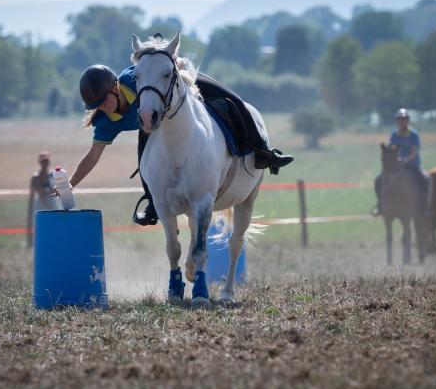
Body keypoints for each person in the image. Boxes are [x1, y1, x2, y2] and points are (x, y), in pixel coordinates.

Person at [69, 41, 294, 226]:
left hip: (179, 83)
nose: (102, 107)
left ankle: (264, 153)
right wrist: (71, 184)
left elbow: (158, 66)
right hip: (151, 124)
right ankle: (152, 203)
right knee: (145, 158)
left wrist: (176, 64)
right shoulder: (105, 121)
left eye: (103, 100)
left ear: (115, 87)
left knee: (231, 100)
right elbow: (93, 155)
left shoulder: (133, 78)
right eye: (96, 105)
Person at [373, 108, 429, 216]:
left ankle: (423, 207)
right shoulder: (394, 135)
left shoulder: (414, 135)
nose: (401, 122)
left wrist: (405, 160)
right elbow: (391, 148)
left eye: (403, 119)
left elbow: (415, 151)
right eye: (399, 119)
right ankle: (380, 205)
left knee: (424, 180)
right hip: (396, 166)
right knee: (378, 180)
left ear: (408, 120)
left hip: (412, 165)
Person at [26, 150, 59, 247]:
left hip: (52, 203)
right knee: (39, 227)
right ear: (40, 162)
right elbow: (36, 193)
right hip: (41, 204)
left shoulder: (52, 175)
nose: (45, 163)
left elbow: (56, 191)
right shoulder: (35, 177)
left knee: (54, 226)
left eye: (46, 161)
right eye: (43, 161)